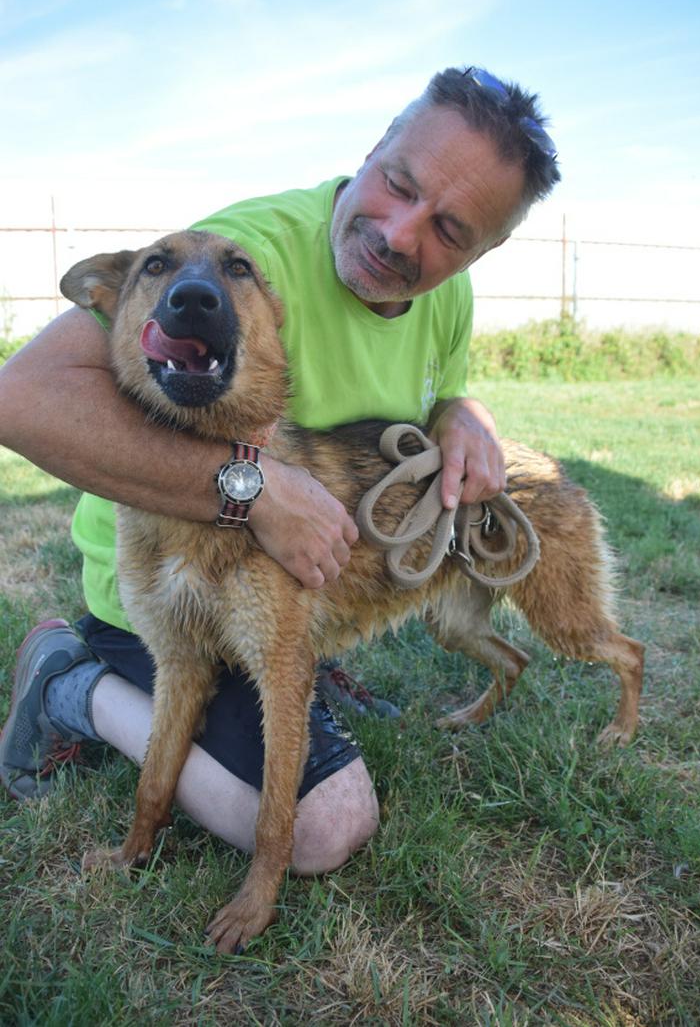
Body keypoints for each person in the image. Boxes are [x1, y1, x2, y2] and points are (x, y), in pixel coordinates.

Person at [0, 66, 560, 872]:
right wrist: (251, 490)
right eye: (397, 184)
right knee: (326, 828)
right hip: (168, 589)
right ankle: (69, 685)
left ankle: (291, 669)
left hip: (280, 590)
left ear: (487, 249)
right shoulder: (242, 257)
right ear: (372, 150)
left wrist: (466, 414)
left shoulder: (447, 295)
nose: (402, 235)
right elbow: (23, 398)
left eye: (451, 231)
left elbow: (442, 388)